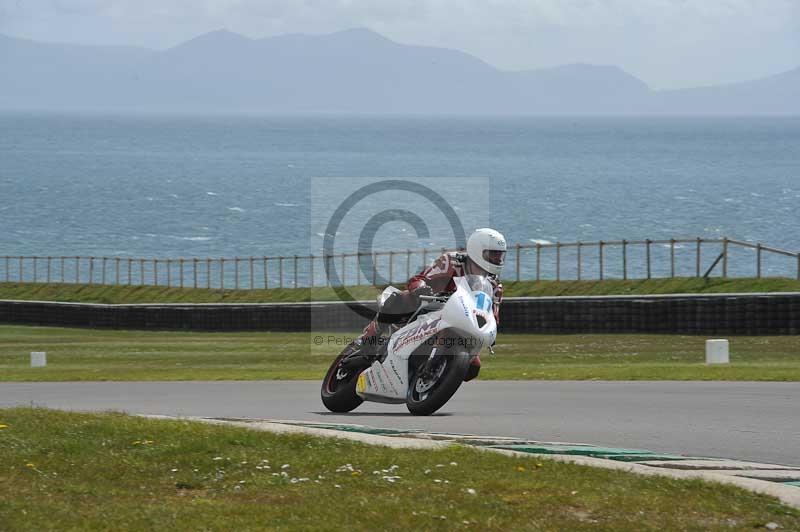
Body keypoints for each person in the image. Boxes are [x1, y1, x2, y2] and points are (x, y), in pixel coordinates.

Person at [356, 228, 507, 381]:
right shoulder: (452, 261)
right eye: (493, 254)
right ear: (477, 249)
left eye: (500, 256)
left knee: (473, 368)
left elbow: (492, 315)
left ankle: (434, 377)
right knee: (399, 299)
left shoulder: (495, 285)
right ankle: (369, 339)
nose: (497, 259)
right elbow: (420, 279)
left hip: (461, 320)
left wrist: (490, 331)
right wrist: (420, 288)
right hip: (428, 305)